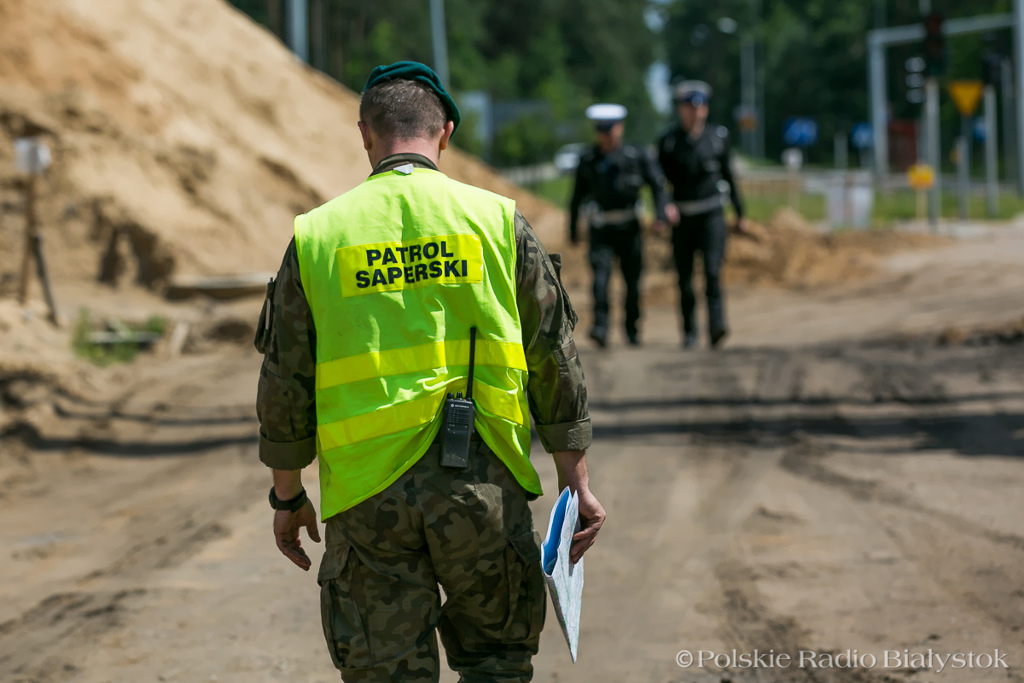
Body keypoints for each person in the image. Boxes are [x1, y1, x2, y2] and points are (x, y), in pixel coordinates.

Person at [253, 61, 605, 683]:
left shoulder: (318, 237)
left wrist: (287, 495)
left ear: (365, 134)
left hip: (367, 500)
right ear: (445, 132)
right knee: (496, 665)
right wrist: (575, 481)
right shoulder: (498, 222)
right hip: (484, 489)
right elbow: (552, 357)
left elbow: (285, 381)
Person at [568, 103, 669, 348]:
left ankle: (631, 329)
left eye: (611, 129)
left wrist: (660, 215)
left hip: (630, 229)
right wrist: (572, 230)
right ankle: (600, 328)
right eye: (602, 130)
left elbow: (657, 185)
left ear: (620, 128)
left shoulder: (636, 156)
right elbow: (576, 197)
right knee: (600, 282)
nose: (607, 134)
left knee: (632, 283)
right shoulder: (588, 160)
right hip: (601, 229)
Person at [657, 80, 747, 349]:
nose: (694, 112)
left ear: (705, 109)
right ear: (680, 109)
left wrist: (740, 212)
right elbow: (658, 182)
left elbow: (729, 176)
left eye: (699, 107)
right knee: (684, 278)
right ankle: (689, 331)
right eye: (688, 107)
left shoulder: (718, 137)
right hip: (682, 219)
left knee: (712, 272)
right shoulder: (668, 141)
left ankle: (717, 327)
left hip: (712, 216)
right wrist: (664, 208)